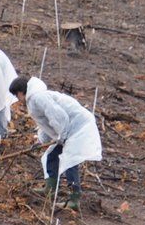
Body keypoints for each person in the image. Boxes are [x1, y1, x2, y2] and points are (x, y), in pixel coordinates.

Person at [8, 75, 102, 211]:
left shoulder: (38, 98)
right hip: (67, 130)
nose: (18, 99)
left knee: (70, 160)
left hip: (78, 127)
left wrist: (62, 136)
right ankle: (50, 189)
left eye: (17, 95)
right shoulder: (34, 99)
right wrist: (41, 141)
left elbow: (57, 116)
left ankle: (74, 199)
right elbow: (46, 123)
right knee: (52, 156)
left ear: (21, 92)